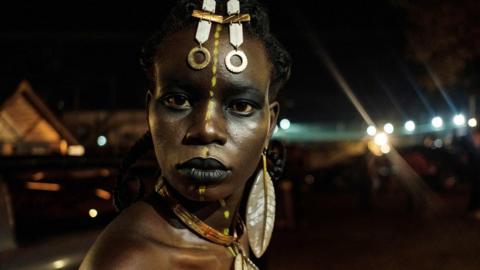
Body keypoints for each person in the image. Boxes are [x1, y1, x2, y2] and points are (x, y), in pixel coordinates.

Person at [80, 0, 291, 269]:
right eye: (178, 101)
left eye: (240, 106)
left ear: (270, 123)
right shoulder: (129, 261)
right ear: (149, 113)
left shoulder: (237, 234)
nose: (206, 129)